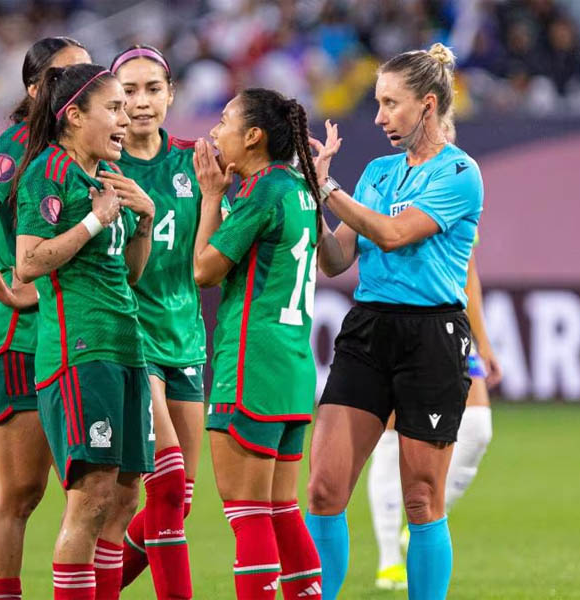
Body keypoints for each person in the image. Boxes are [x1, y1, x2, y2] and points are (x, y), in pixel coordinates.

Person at [305, 43, 483, 600]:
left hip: (431, 336)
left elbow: (393, 234)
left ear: (427, 105)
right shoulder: (379, 171)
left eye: (390, 104)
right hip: (368, 330)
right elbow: (336, 260)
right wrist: (313, 197)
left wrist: (329, 188)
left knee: (422, 499)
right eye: (378, 104)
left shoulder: (460, 172)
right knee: (324, 488)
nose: (378, 117)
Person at [0, 37, 91, 600]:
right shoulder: (19, 147)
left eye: (88, 71)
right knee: (19, 493)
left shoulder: (91, 147)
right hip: (21, 341)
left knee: (106, 493)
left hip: (79, 337)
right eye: (67, 75)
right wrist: (5, 291)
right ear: (35, 90)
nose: (84, 82)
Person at [13, 62, 155, 600]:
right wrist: (94, 221)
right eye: (114, 108)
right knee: (91, 497)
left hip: (125, 347)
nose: (127, 119)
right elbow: (28, 263)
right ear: (74, 116)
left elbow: (130, 273)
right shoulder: (47, 172)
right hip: (81, 352)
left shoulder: (103, 179)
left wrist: (141, 221)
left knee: (123, 498)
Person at [192, 88, 324, 600]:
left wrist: (209, 198)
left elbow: (205, 269)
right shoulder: (298, 189)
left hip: (249, 364)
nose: (214, 131)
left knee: (247, 514)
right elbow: (332, 260)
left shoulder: (261, 191)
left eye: (224, 120)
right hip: (292, 367)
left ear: (253, 137)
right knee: (281, 510)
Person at [109, 44, 201, 599]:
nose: (141, 103)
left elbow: (213, 252)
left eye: (152, 89)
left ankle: (96, 589)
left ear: (171, 95)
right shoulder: (101, 164)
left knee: (179, 499)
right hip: (130, 338)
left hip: (184, 336)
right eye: (129, 91)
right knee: (163, 484)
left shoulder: (198, 160)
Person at [368, 236, 501, 591]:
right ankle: (389, 561)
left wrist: (483, 341)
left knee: (477, 429)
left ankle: (420, 524)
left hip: (450, 321)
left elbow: (468, 268)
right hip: (400, 315)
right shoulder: (399, 184)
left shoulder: (458, 185)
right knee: (393, 432)